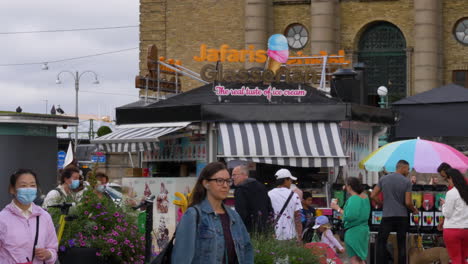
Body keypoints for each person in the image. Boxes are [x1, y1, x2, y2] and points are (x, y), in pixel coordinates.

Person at [171, 162, 253, 263]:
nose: (225, 185)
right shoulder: (193, 215)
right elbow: (181, 258)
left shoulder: (234, 217)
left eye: (228, 181)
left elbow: (247, 250)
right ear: (206, 183)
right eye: (219, 181)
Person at [0, 169, 58, 263]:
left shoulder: (44, 216)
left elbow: (53, 249)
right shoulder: (2, 219)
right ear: (12, 189)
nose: (28, 189)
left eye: (32, 185)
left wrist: (48, 254)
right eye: (23, 185)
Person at [371, 160, 419, 264]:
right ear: (402, 168)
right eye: (407, 168)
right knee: (401, 243)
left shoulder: (383, 179)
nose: (408, 171)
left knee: (381, 242)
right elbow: (407, 202)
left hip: (387, 216)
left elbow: (373, 195)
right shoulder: (407, 182)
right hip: (402, 217)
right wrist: (414, 210)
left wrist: (382, 204)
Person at [331, 177, 370, 264]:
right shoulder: (365, 197)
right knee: (361, 257)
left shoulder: (354, 199)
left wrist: (337, 208)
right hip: (363, 229)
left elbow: (350, 216)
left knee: (354, 258)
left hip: (353, 231)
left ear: (349, 187)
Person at [232, 165, 272, 233]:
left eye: (234, 175)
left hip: (248, 230)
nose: (232, 178)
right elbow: (269, 207)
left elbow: (241, 213)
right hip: (264, 229)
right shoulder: (261, 186)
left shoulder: (241, 190)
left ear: (243, 174)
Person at [440, 168, 468, 264]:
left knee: (455, 259)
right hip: (466, 229)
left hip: (452, 230)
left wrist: (443, 205)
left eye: (448, 180)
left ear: (451, 178)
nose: (448, 183)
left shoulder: (451, 193)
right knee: (463, 259)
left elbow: (447, 213)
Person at [268, 168, 303, 242]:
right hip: (290, 235)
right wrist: (299, 236)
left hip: (273, 234)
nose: (291, 182)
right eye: (290, 180)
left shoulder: (269, 194)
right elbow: (297, 217)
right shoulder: (294, 195)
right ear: (285, 180)